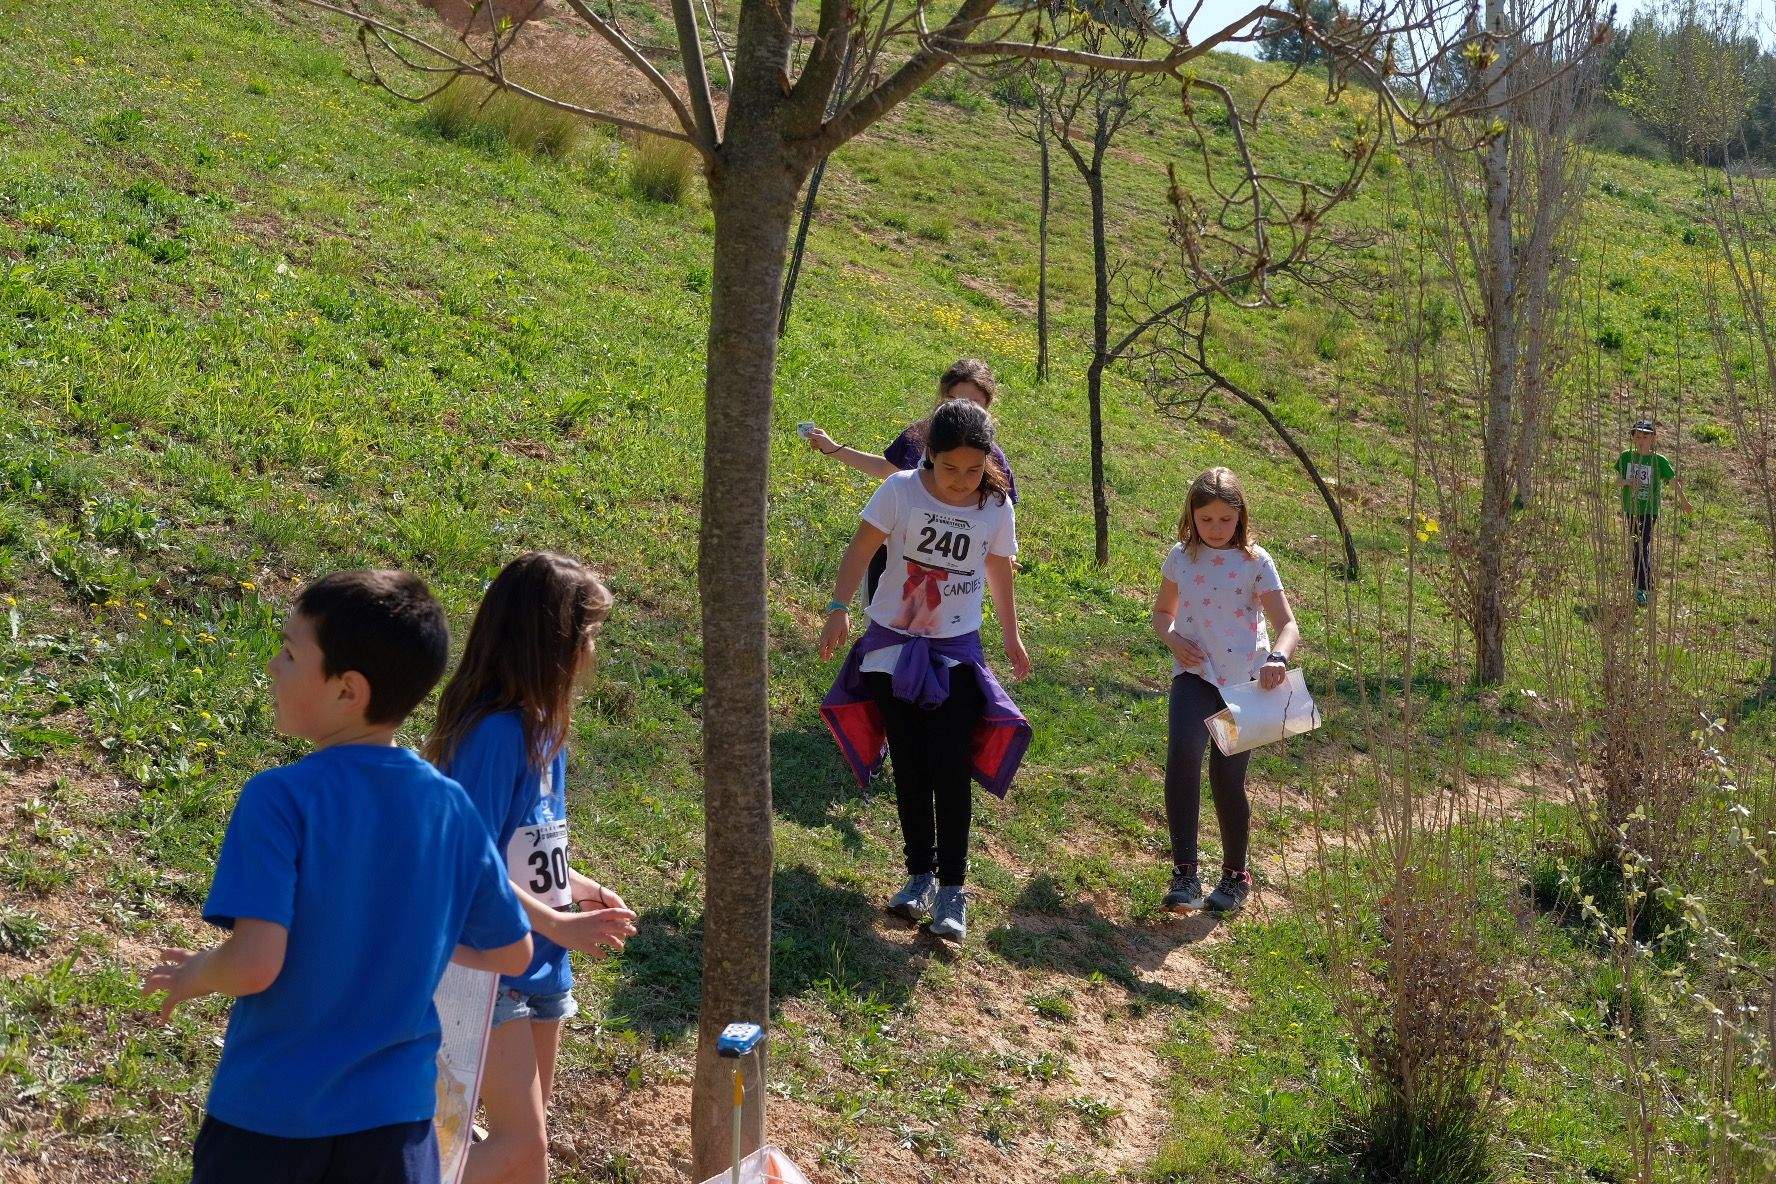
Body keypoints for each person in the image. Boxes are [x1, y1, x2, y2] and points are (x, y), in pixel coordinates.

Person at [142, 570, 533, 1184]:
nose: (274, 666)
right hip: (397, 1130)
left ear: (348, 690)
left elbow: (254, 963)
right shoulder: (451, 807)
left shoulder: (280, 799)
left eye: (291, 653)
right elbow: (513, 952)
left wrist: (196, 971)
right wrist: (414, 944)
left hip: (272, 1117)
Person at [425, 552, 639, 1184]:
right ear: (551, 642)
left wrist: (581, 889)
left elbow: (529, 849)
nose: (594, 650)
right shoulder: (493, 736)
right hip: (487, 965)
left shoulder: (546, 730)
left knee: (527, 1157)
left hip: (542, 964)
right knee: (523, 1150)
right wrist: (562, 923)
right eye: (588, 635)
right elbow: (471, 863)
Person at [818, 399, 1033, 944]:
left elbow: (1000, 570)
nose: (962, 481)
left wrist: (1011, 635)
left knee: (950, 769)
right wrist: (839, 610)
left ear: (987, 461)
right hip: (891, 649)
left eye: (973, 469)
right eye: (949, 467)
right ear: (929, 456)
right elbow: (860, 547)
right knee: (911, 766)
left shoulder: (994, 506)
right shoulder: (900, 492)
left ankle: (953, 889)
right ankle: (918, 877)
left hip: (955, 655)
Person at [1148, 467, 1299, 916]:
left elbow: (1287, 625)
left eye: (1225, 520)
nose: (1215, 529)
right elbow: (1161, 613)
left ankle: (1236, 874)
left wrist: (1278, 658)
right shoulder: (1180, 557)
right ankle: (1184, 872)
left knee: (1227, 780)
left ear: (1241, 517)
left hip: (1243, 687)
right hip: (1194, 677)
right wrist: (1173, 639)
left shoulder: (1257, 563)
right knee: (1182, 756)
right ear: (1191, 516)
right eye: (1206, 519)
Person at [804, 359, 1019, 602]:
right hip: (891, 555)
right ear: (941, 399)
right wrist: (834, 449)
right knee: (881, 625)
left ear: (988, 407)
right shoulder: (918, 435)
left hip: (949, 576)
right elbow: (886, 468)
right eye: (953, 401)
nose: (961, 409)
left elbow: (1001, 511)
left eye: (973, 403)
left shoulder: (989, 456)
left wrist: (1005, 554)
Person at [1615, 418, 1690, 606]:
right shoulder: (1625, 457)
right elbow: (1617, 481)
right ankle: (1644, 586)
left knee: (1642, 544)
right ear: (1632, 438)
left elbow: (1673, 482)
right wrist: (1627, 482)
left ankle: (1642, 588)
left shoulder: (1659, 461)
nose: (1641, 440)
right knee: (1637, 546)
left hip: (1649, 511)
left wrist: (1684, 501)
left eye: (1645, 437)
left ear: (1653, 438)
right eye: (1637, 436)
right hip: (1631, 508)